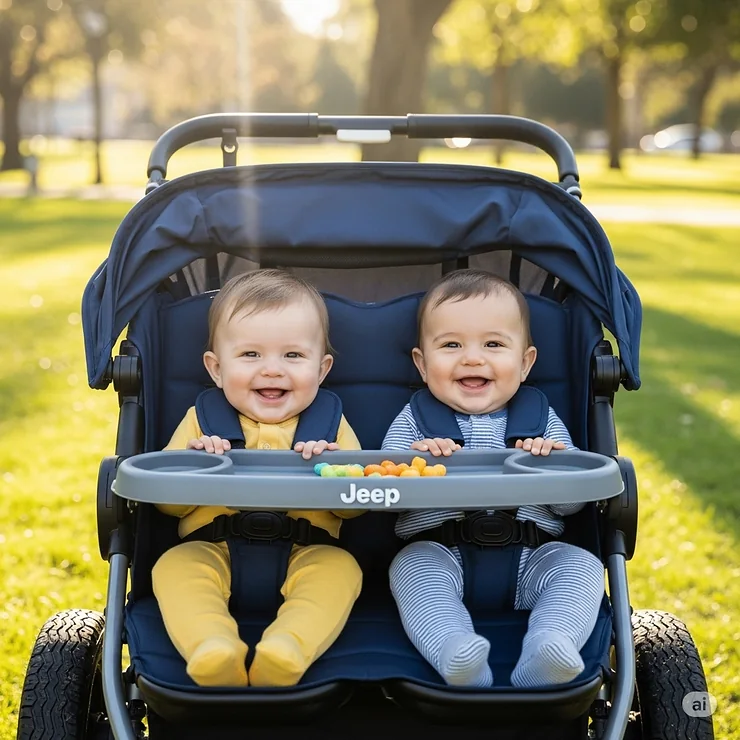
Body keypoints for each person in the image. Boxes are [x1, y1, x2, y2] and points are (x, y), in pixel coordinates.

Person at [382, 269, 604, 689]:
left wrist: (550, 469)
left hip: (532, 555)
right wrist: (414, 464)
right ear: (422, 363)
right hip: (440, 551)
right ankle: (454, 652)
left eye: (493, 345)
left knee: (582, 566)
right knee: (410, 569)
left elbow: (572, 505)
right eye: (451, 345)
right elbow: (386, 495)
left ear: (524, 363)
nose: (472, 358)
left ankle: (549, 645)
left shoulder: (540, 420)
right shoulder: (417, 420)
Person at [152, 269, 363, 688]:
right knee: (174, 567)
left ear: (321, 370)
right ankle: (212, 647)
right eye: (250, 356)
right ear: (216, 368)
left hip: (309, 548)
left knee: (342, 569)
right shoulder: (201, 421)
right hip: (211, 545)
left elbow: (355, 508)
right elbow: (167, 505)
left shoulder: (330, 424)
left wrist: (335, 471)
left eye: (293, 356)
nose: (271, 370)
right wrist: (193, 467)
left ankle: (287, 650)